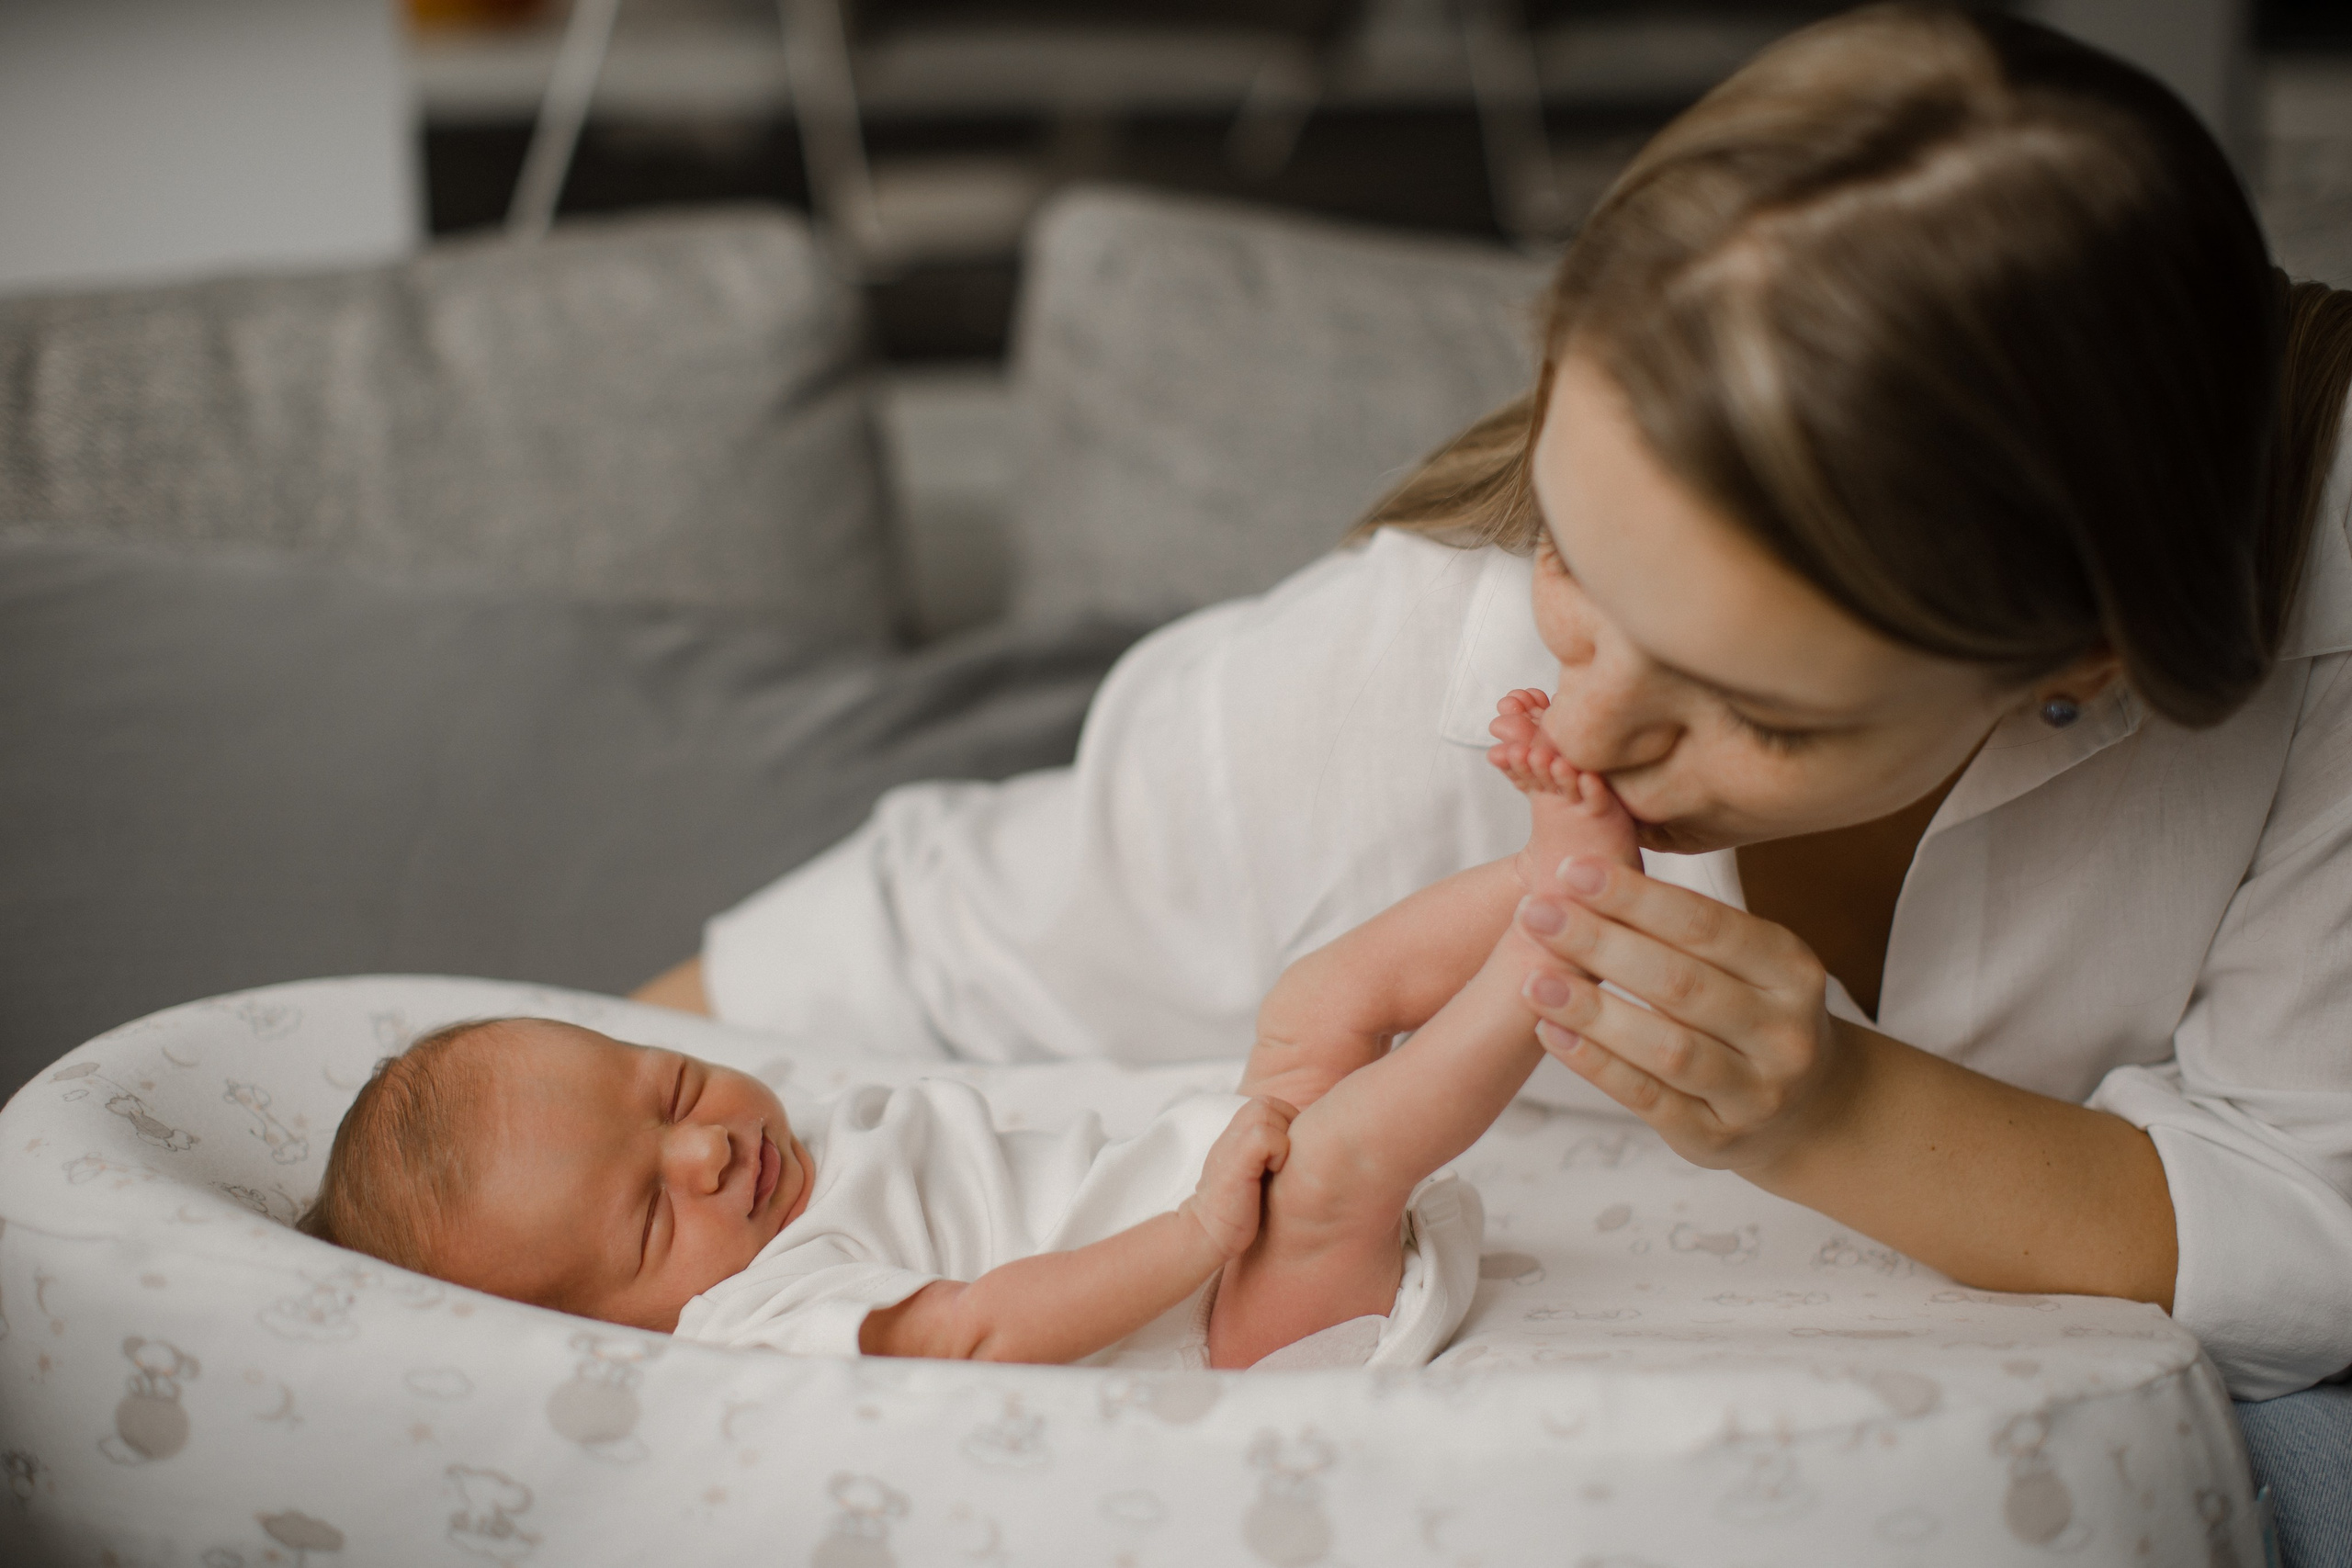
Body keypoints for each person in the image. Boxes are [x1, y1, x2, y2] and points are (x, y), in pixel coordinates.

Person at [636, 5, 2352, 1554]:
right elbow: (902, 953)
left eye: (1765, 714)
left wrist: (1833, 1112)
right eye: (1578, 570)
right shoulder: (1376, 684)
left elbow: (2310, 1241)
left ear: (2083, 662)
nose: (1588, 739)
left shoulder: (2318, 657)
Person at [300, 702, 1639, 1368]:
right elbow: (981, 1326)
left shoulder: (798, 1158)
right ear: (617, 1327)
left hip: (1225, 1181)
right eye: (650, 1215)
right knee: (1346, 1160)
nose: (705, 1151)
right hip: (1241, 1316)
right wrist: (1193, 1236)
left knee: (1318, 996)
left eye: (673, 1087)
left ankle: (1557, 874)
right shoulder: (762, 1314)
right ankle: (1552, 958)